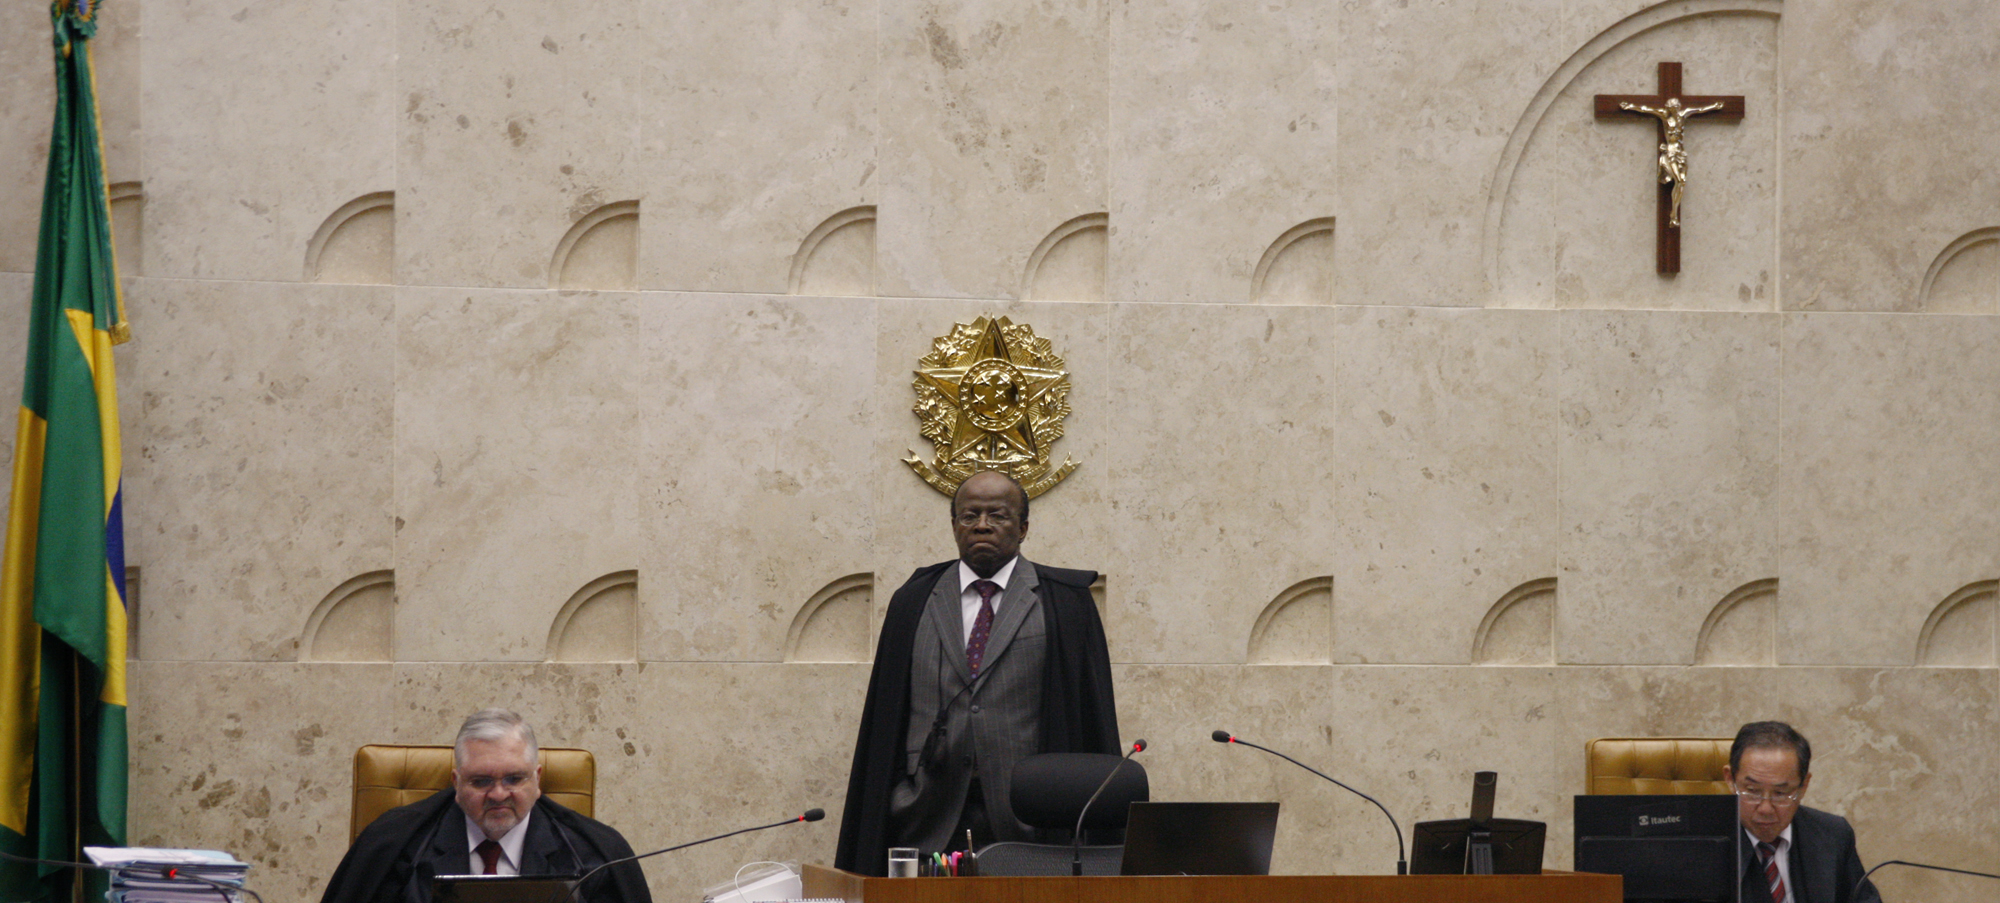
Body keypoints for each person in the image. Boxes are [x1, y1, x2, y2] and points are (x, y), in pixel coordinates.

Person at [834, 471, 1119, 875]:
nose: (982, 525)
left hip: (1028, 819)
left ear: (1023, 528)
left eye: (997, 516)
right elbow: (885, 716)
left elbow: (1092, 716)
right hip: (925, 814)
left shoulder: (1065, 604)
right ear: (954, 526)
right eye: (969, 516)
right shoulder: (913, 600)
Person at [321, 709, 652, 903]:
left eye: (514, 779)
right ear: (456, 783)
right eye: (481, 781)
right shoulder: (395, 846)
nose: (498, 794)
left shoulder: (596, 854)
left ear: (537, 780)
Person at [1724, 721, 1880, 903]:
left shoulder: (1832, 834)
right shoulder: (1701, 842)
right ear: (1730, 779)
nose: (1765, 808)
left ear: (1803, 786)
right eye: (1752, 791)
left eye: (1780, 793)